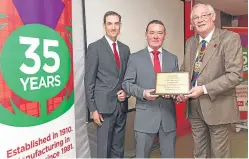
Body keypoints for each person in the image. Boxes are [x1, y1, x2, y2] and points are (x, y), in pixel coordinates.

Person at [177, 3, 243, 158]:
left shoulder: (230, 38)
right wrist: (179, 90)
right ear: (192, 23)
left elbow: (235, 74)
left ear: (213, 17)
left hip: (218, 107)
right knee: (199, 152)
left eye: (204, 15)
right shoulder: (190, 42)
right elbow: (185, 72)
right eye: (195, 17)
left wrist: (204, 89)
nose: (199, 20)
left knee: (219, 154)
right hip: (194, 108)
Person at [122, 20, 178, 158]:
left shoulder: (173, 58)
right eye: (152, 32)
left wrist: (175, 94)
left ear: (165, 35)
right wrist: (143, 93)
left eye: (159, 33)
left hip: (168, 118)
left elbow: (176, 85)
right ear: (146, 35)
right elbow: (127, 84)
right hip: (144, 118)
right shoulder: (135, 58)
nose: (155, 36)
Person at [84, 11, 130, 158]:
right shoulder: (95, 48)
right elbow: (89, 80)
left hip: (121, 107)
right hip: (103, 109)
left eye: (116, 23)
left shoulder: (125, 49)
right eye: (109, 23)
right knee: (103, 150)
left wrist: (127, 92)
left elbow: (127, 77)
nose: (113, 27)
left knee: (118, 148)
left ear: (120, 26)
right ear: (104, 26)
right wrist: (93, 109)